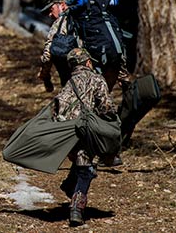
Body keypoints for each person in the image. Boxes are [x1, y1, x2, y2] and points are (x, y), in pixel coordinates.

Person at [54, 48, 115, 227]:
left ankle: (69, 184)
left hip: (68, 132)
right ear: (88, 62)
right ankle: (76, 208)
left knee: (81, 162)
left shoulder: (69, 82)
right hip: (87, 130)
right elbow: (106, 107)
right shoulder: (97, 79)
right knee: (86, 170)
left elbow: (58, 106)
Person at [37, 0, 75, 92]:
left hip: (72, 77)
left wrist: (44, 74)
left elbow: (48, 53)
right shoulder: (85, 18)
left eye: (51, 10)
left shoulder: (60, 23)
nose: (49, 15)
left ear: (62, 5)